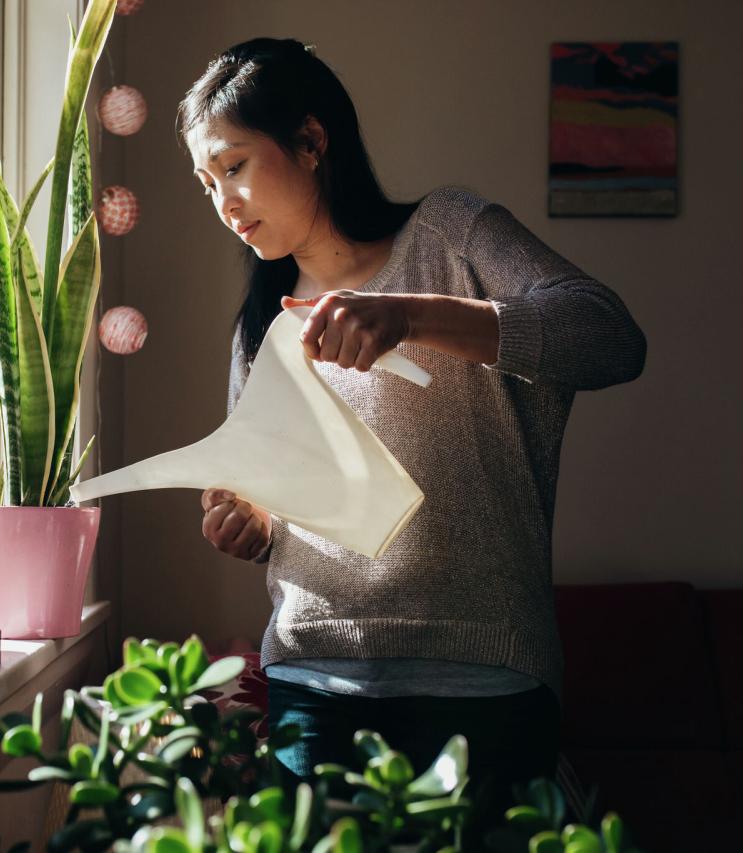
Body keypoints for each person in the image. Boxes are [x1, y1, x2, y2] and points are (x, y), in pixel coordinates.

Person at [177, 37, 646, 844]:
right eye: (206, 181)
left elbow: (609, 337)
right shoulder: (262, 321)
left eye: (236, 165)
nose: (223, 200)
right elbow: (266, 503)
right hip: (309, 683)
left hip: (485, 679)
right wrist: (250, 521)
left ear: (312, 142)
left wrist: (412, 315)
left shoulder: (451, 235)